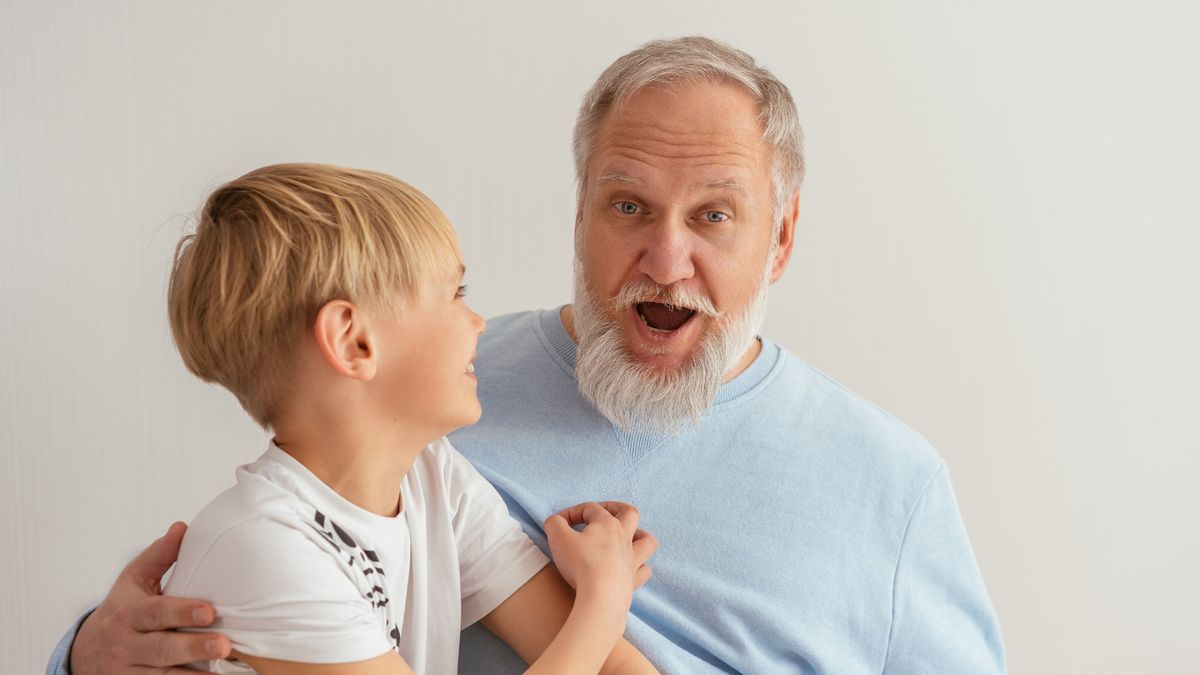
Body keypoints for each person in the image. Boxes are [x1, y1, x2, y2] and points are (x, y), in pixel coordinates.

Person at [49, 37, 1006, 674]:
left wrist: (598, 605)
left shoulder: (894, 485)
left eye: (715, 215)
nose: (665, 259)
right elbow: (230, 603)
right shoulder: (429, 406)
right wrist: (86, 652)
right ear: (581, 208)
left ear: (782, 240)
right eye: (627, 205)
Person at [106, 163, 659, 674]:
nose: (479, 322)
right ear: (353, 341)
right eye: (455, 294)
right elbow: (593, 642)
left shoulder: (433, 480)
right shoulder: (261, 545)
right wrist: (603, 605)